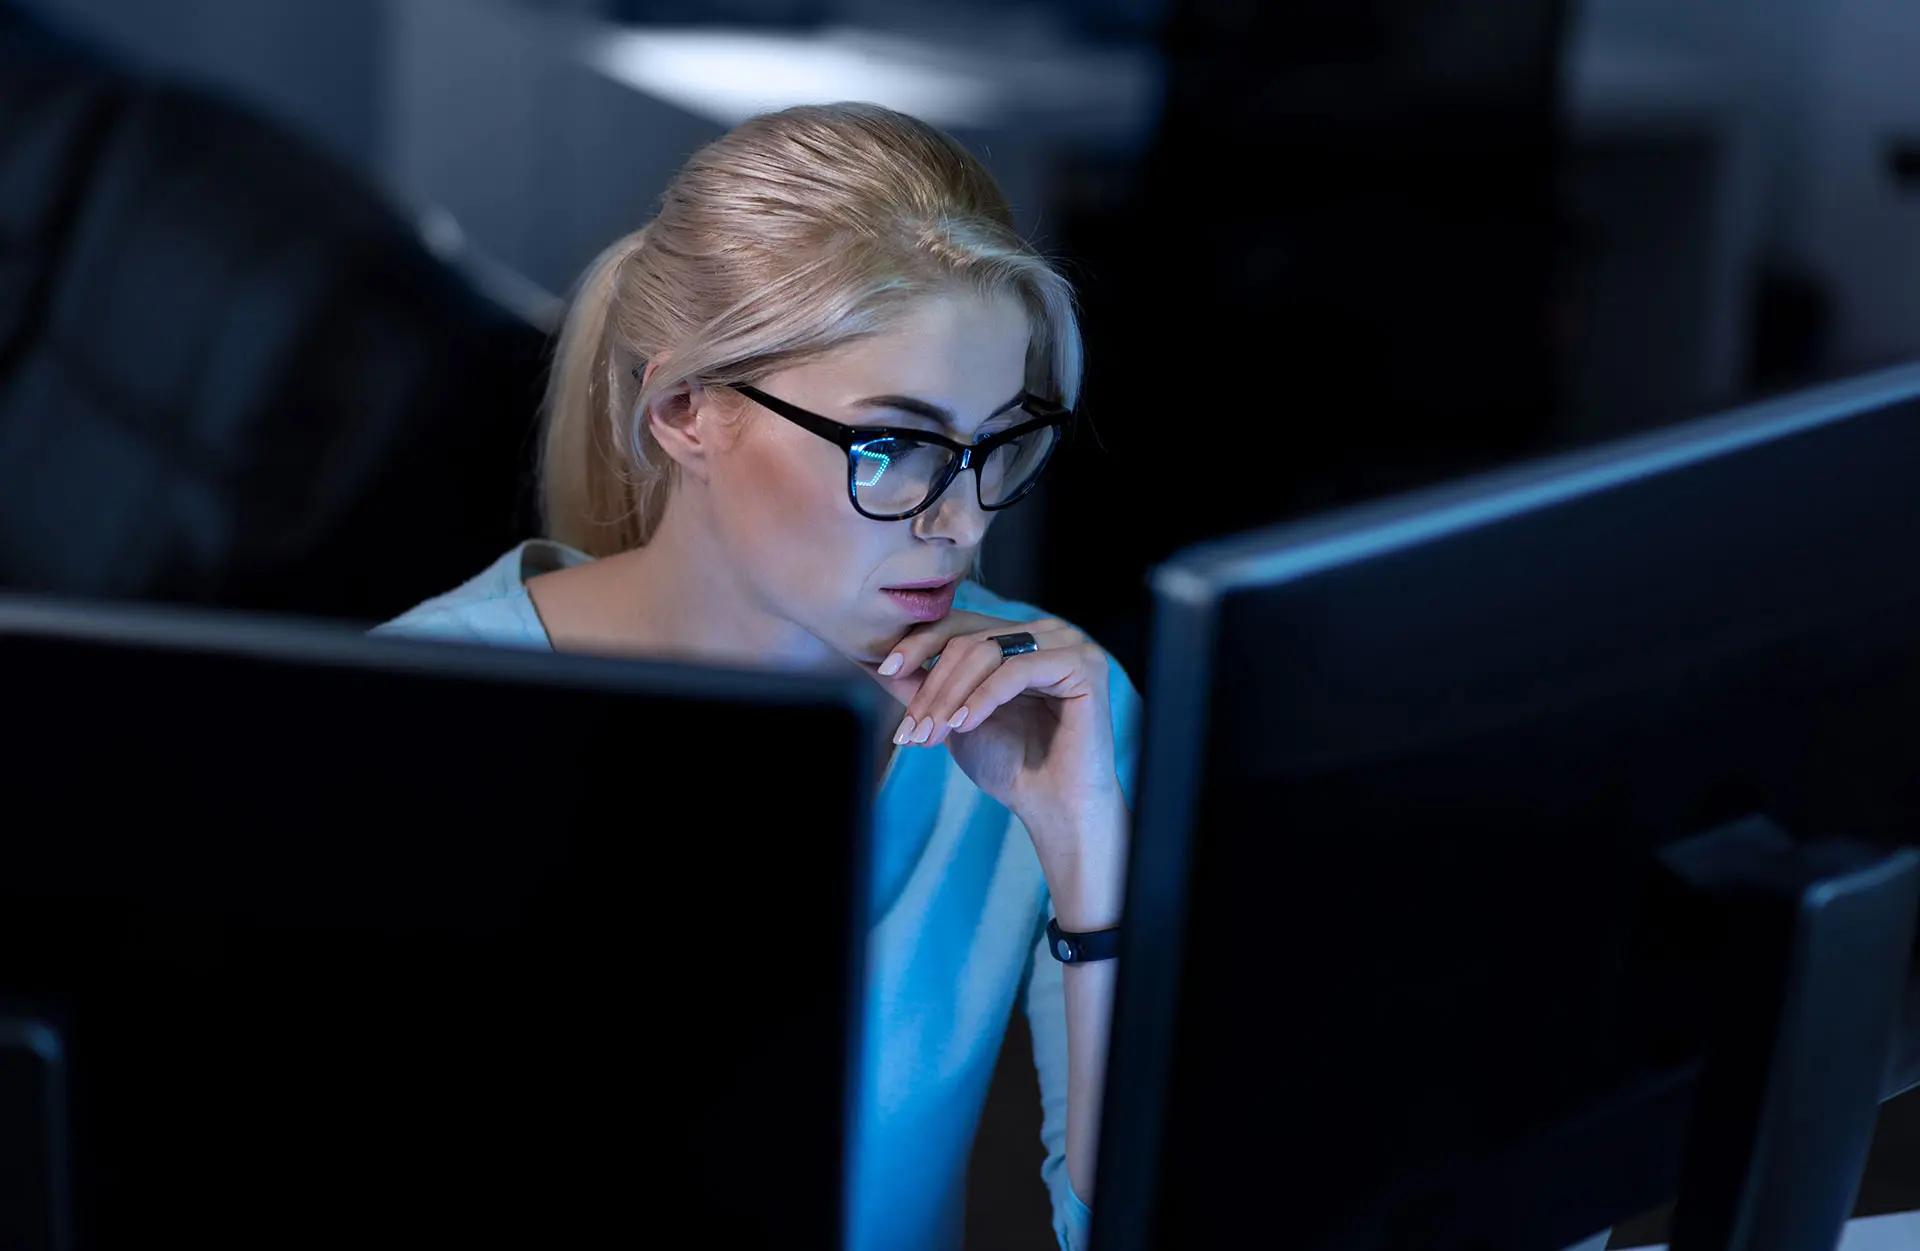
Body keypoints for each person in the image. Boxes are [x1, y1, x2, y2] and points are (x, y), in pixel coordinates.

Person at [373, 102, 1140, 1251]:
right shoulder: (420, 712)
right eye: (894, 446)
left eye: (996, 449)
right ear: (683, 407)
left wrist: (1087, 850)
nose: (961, 524)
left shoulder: (1050, 717)